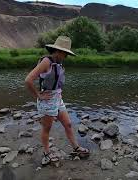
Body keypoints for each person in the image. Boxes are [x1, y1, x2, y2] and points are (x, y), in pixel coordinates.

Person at [25, 36, 89, 165]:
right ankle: (47, 152)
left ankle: (76, 148)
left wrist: (58, 92)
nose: (66, 56)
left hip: (57, 98)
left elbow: (55, 81)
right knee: (47, 129)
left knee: (68, 124)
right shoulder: (46, 62)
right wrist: (38, 95)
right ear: (58, 51)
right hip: (47, 100)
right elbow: (28, 80)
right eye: (65, 53)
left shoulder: (58, 61)